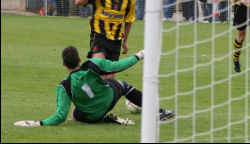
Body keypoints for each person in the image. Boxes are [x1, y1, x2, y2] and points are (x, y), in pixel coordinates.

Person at [14, 46, 175, 127]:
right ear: (79, 59)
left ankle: (104, 119)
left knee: (74, 115)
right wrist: (139, 55)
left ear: (63, 63)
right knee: (122, 85)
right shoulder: (93, 64)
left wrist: (38, 123)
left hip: (92, 116)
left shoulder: (63, 87)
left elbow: (60, 116)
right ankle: (159, 112)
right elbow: (118, 66)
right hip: (108, 98)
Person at [75, 0, 136, 79]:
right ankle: (82, 89)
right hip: (99, 37)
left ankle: (96, 94)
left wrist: (125, 42)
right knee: (97, 68)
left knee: (109, 78)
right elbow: (78, 1)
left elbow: (128, 21)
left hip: (116, 41)